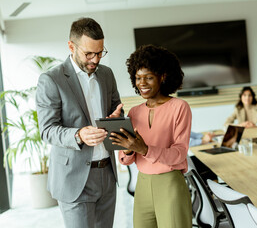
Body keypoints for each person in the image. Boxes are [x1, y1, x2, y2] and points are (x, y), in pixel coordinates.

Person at [36, 17, 123, 228]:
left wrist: (116, 119)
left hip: (107, 174)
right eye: (89, 53)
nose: (95, 59)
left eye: (100, 52)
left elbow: (117, 110)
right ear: (71, 46)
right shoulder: (51, 80)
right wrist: (78, 135)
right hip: (73, 178)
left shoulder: (107, 75)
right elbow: (47, 130)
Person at [112, 45, 192, 228]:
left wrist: (145, 149)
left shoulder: (179, 107)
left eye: (148, 77)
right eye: (138, 78)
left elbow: (179, 153)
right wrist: (118, 132)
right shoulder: (134, 112)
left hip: (170, 182)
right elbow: (125, 160)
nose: (142, 83)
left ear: (162, 76)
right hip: (142, 184)